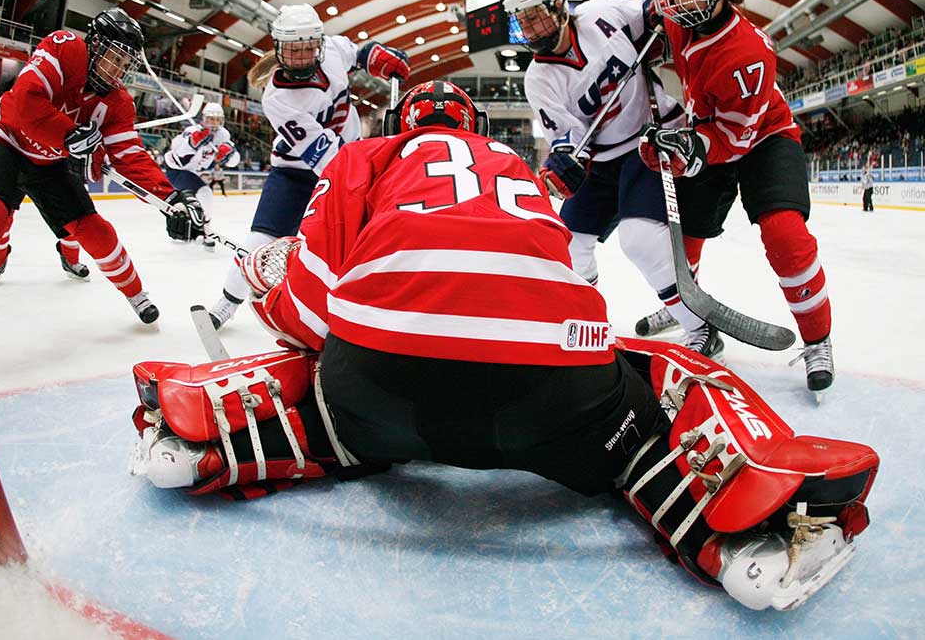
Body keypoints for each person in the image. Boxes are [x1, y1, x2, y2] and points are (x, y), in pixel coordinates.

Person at [129, 82, 879, 612]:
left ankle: (209, 436)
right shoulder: (514, 165)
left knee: (330, 382)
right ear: (471, 123)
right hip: (551, 395)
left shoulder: (367, 156)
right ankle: (736, 535)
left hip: (381, 400)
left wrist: (267, 284)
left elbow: (308, 315)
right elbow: (553, 281)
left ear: (405, 119)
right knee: (656, 388)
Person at [643, 0, 834, 394]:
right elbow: (644, 19)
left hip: (763, 137)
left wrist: (687, 151)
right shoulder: (681, 19)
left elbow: (735, 138)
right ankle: (685, 309)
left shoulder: (746, 53)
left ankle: (818, 339)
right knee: (681, 233)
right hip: (713, 129)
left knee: (784, 233)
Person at [503, 0, 720, 358]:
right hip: (602, 161)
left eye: (535, 15)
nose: (530, 29)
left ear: (559, 6)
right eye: (522, 21)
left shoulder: (602, 14)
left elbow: (650, 14)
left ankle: (699, 326)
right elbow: (568, 139)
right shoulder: (538, 77)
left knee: (639, 240)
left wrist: (660, 13)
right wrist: (564, 162)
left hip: (647, 142)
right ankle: (587, 317)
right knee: (568, 245)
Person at [0, 8, 205, 323]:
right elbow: (25, 102)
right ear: (96, 44)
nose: (118, 69)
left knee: (95, 230)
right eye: (115, 57)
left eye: (125, 63)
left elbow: (129, 155)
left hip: (50, 164)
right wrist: (69, 134)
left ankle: (136, 294)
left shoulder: (118, 103)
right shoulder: (64, 47)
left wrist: (170, 199)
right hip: (3, 142)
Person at [206, 3, 410, 329]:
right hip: (295, 173)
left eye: (307, 48)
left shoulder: (331, 51)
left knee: (360, 243)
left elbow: (357, 53)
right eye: (292, 49)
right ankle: (228, 301)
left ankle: (361, 307)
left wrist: (376, 55)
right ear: (278, 47)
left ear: (318, 44)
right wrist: (370, 172)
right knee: (259, 244)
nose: (301, 56)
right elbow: (324, 155)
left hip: (347, 159)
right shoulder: (278, 98)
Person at [164, 102, 240, 248]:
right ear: (204, 119)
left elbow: (234, 161)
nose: (214, 123)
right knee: (205, 193)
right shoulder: (192, 130)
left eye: (217, 119)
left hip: (193, 172)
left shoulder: (223, 134)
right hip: (176, 170)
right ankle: (207, 231)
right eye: (211, 119)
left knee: (189, 205)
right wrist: (193, 143)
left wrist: (229, 154)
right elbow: (179, 157)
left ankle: (185, 231)